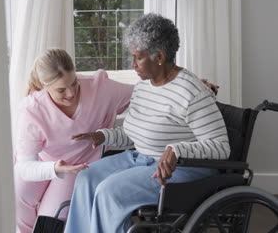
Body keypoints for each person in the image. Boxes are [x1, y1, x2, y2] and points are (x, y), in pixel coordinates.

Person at [64, 13, 230, 233]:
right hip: (140, 158)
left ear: (159, 56)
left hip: (182, 169)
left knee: (108, 191)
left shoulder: (192, 92)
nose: (132, 64)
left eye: (137, 57)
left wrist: (176, 150)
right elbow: (134, 134)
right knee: (86, 177)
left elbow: (221, 147)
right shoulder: (143, 86)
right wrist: (104, 135)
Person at [14, 49, 134, 233]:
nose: (70, 93)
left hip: (78, 167)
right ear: (44, 85)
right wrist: (54, 168)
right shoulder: (32, 109)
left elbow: (143, 93)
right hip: (43, 164)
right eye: (61, 90)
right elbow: (25, 166)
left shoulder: (99, 89)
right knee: (16, 197)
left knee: (50, 222)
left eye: (74, 83)